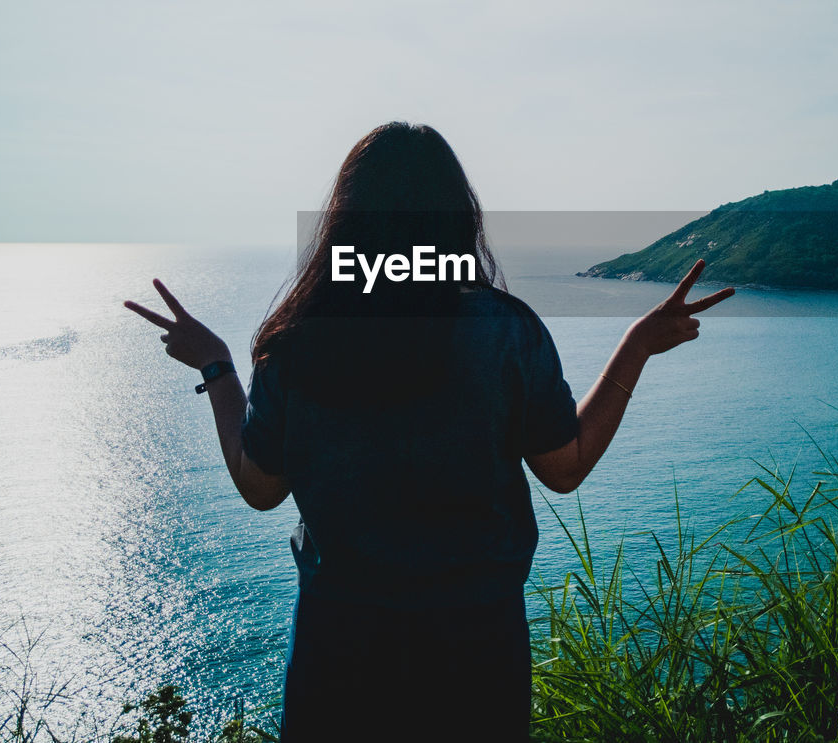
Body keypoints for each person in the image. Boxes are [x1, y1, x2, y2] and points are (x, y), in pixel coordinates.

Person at [124, 122, 735, 741]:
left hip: (338, 655)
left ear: (345, 224)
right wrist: (637, 346)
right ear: (457, 220)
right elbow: (565, 467)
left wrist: (217, 366)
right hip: (477, 657)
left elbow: (260, 487)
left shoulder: (300, 344)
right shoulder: (507, 334)